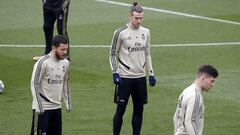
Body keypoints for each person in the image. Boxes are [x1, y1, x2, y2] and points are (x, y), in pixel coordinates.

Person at [109, 2, 156, 135]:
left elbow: (147, 53)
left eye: (141, 18)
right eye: (136, 18)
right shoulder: (120, 32)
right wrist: (115, 73)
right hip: (124, 77)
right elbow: (112, 53)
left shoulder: (146, 32)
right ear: (130, 16)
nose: (139, 21)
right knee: (120, 109)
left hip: (140, 77)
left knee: (139, 110)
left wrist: (151, 73)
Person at [30, 35, 72, 135]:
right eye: (62, 49)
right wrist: (39, 105)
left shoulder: (65, 63)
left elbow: (65, 82)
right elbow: (34, 84)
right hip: (42, 108)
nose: (65, 52)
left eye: (66, 49)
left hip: (57, 107)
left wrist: (68, 102)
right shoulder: (43, 63)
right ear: (54, 48)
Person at [173, 64, 219, 135]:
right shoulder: (195, 96)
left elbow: (176, 117)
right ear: (203, 78)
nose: (213, 84)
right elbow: (189, 122)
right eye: (211, 81)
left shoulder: (186, 91)